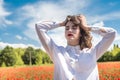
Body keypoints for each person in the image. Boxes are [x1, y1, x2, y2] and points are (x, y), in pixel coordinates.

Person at [35, 14, 116, 80]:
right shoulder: (57, 52)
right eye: (67, 28)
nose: (69, 30)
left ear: (81, 33)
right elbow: (39, 26)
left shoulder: (92, 52)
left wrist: (86, 27)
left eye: (74, 28)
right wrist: (62, 23)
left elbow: (111, 34)